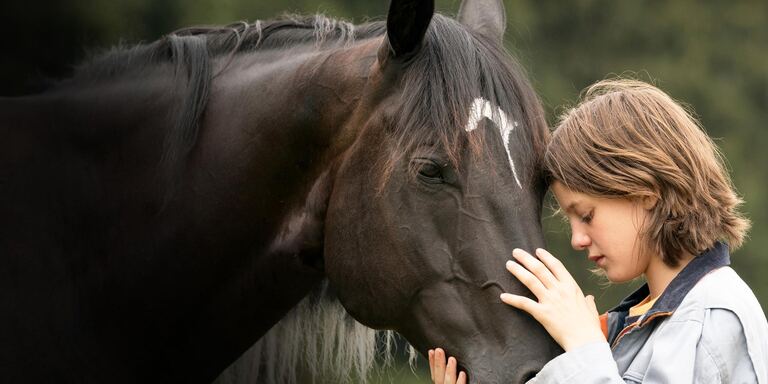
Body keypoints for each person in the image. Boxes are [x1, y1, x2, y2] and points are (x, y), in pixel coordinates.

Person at [428, 79, 768, 383]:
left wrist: (583, 345)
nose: (577, 239)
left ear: (645, 194)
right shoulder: (628, 327)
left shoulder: (714, 316)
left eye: (586, 215)